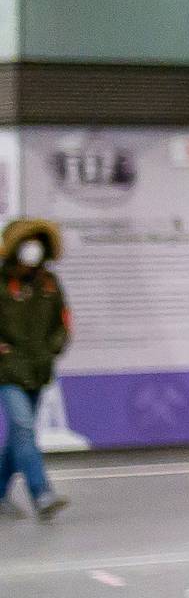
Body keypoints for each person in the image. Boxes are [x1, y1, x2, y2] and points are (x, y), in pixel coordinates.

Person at [0, 218, 69, 521]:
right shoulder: (2, 282)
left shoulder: (49, 285)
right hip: (8, 372)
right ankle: (42, 494)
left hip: (39, 371)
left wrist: (51, 348)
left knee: (19, 438)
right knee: (25, 429)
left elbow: (63, 324)